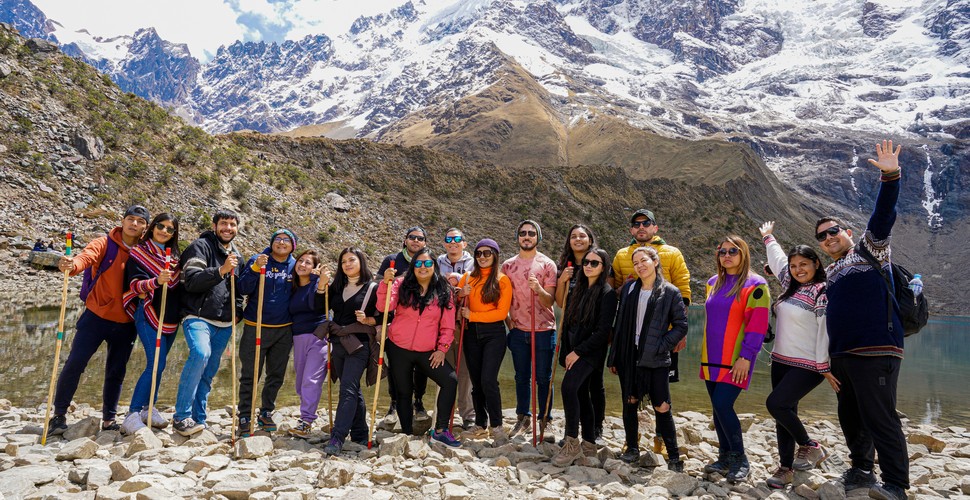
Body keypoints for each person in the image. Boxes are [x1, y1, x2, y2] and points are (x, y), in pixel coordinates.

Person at [815, 140, 909, 500]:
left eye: (833, 231)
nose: (828, 238)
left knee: (880, 416)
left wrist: (890, 175)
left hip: (876, 348)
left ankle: (897, 484)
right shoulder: (832, 272)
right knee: (851, 415)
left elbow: (883, 215)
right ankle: (861, 468)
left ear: (848, 233)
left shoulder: (871, 250)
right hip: (842, 355)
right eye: (822, 236)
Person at [47, 205, 149, 435]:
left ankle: (109, 419)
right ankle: (59, 414)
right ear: (122, 221)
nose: (134, 224)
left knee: (116, 371)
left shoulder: (145, 251)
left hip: (126, 322)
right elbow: (85, 258)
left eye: (140, 222)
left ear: (145, 227)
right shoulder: (104, 243)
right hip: (96, 317)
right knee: (76, 362)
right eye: (131, 219)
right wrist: (72, 265)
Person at [759, 222, 836, 489]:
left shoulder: (822, 291)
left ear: (816, 264)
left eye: (804, 264)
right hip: (780, 360)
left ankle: (810, 445)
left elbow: (826, 329)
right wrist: (768, 237)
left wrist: (824, 365)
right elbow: (778, 259)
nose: (798, 269)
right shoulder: (789, 285)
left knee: (776, 404)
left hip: (809, 364)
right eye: (794, 266)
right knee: (784, 413)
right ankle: (785, 468)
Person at [606, 247, 688, 469]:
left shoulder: (670, 292)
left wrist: (662, 345)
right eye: (636, 263)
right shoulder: (630, 289)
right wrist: (613, 357)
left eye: (644, 260)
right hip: (629, 356)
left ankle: (673, 456)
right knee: (629, 401)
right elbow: (621, 323)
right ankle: (632, 448)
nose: (640, 265)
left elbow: (681, 325)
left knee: (662, 406)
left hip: (656, 358)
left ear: (655, 262)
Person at [701, 235, 770, 483]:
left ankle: (740, 459)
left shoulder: (756, 284)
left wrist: (746, 356)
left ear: (743, 254)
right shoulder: (712, 283)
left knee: (723, 404)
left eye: (733, 251)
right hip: (710, 356)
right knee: (717, 408)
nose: (727, 255)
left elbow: (758, 325)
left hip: (737, 359)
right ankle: (724, 457)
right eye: (723, 251)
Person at [377, 248, 460, 446]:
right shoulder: (400, 283)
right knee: (404, 391)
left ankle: (440, 430)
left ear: (434, 266)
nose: (423, 267)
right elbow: (384, 307)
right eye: (419, 264)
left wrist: (442, 349)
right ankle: (406, 433)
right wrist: (384, 284)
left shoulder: (444, 290)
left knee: (450, 381)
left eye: (428, 264)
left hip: (428, 351)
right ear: (413, 266)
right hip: (399, 347)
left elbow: (447, 325)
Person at [172, 209, 243, 437]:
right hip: (197, 316)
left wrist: (238, 312)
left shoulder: (236, 255)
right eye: (223, 224)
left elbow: (238, 292)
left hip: (224, 322)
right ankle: (181, 417)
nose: (227, 228)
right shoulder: (200, 247)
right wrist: (221, 270)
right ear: (214, 226)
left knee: (210, 371)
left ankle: (199, 418)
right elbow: (191, 281)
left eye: (232, 225)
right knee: (200, 355)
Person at [552, 248, 617, 467]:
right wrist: (565, 353)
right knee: (581, 393)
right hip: (573, 350)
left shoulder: (607, 294)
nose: (589, 266)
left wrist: (578, 352)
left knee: (568, 388)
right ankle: (589, 443)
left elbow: (602, 332)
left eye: (595, 263)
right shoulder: (576, 289)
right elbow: (568, 325)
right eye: (587, 262)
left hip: (590, 353)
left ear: (604, 267)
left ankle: (571, 443)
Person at [120, 213, 183, 435]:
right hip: (147, 313)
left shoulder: (175, 258)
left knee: (161, 364)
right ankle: (132, 413)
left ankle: (149, 408)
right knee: (154, 362)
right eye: (161, 226)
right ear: (153, 227)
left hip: (171, 318)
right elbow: (134, 284)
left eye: (170, 229)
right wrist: (156, 281)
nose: (164, 231)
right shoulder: (139, 252)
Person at [317, 248, 384, 453]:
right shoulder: (337, 287)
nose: (347, 264)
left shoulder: (373, 288)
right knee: (352, 388)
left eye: (351, 260)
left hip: (360, 345)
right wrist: (321, 286)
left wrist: (368, 320)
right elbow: (320, 307)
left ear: (361, 262)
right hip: (337, 343)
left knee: (347, 389)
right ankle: (360, 433)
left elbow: (384, 316)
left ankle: (337, 437)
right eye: (343, 261)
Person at [236, 229, 297, 437]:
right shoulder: (258, 260)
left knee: (276, 374)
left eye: (286, 240)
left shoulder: (296, 266)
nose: (281, 242)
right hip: (256, 326)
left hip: (283, 329)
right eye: (277, 239)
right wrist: (254, 269)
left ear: (292, 245)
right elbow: (242, 287)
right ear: (271, 243)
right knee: (250, 374)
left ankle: (266, 412)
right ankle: (244, 415)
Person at [502, 220, 558, 438]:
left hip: (544, 329)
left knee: (543, 378)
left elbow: (549, 300)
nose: (527, 236)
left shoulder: (548, 264)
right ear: (517, 237)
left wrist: (539, 289)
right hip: (518, 330)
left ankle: (545, 419)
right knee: (521, 377)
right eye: (523, 233)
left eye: (531, 233)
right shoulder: (507, 266)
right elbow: (504, 298)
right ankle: (523, 417)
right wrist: (508, 320)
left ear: (538, 237)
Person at [456, 238, 512, 442]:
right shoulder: (468, 277)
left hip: (494, 334)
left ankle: (497, 425)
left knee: (488, 379)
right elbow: (455, 301)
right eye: (478, 253)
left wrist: (472, 315)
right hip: (471, 333)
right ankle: (480, 423)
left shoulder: (502, 280)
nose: (482, 257)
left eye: (487, 253)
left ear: (495, 255)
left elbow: (501, 313)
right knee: (476, 381)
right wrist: (461, 293)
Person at [555, 224, 607, 440]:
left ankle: (594, 427)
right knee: (580, 389)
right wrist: (562, 280)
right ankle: (586, 437)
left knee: (592, 384)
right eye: (573, 236)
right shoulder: (567, 268)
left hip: (591, 342)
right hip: (572, 336)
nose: (578, 239)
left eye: (582, 236)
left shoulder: (602, 281)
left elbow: (603, 312)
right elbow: (561, 303)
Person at [377, 226, 430, 424]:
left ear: (425, 242)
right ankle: (394, 402)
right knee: (395, 367)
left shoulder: (428, 261)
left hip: (422, 323)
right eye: (412, 237)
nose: (416, 241)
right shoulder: (392, 260)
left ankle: (419, 402)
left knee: (421, 367)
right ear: (405, 240)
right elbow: (378, 286)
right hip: (394, 321)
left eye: (420, 238)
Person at [437, 228, 476, 429]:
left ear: (464, 243)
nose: (453, 242)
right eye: (449, 239)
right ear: (444, 243)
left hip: (466, 322)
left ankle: (468, 414)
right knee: (444, 368)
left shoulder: (473, 263)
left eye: (457, 239)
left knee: (465, 371)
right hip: (442, 323)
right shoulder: (437, 262)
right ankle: (443, 413)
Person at [287, 249, 328, 438]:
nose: (302, 265)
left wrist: (320, 283)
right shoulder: (292, 287)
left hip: (318, 337)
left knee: (311, 380)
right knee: (300, 382)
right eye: (300, 261)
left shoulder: (319, 285)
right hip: (298, 337)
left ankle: (306, 420)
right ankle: (307, 414)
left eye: (308, 262)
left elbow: (319, 305)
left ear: (315, 267)